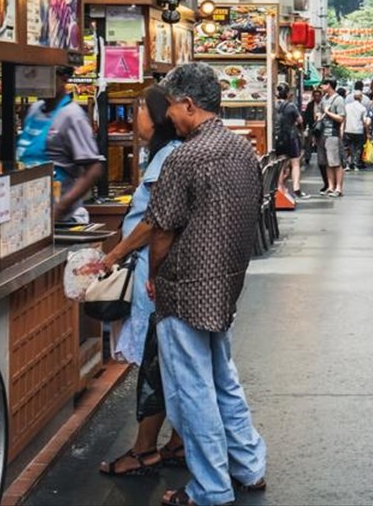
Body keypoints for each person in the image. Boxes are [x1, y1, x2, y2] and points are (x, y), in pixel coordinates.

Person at [145, 62, 266, 506]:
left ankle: (211, 487)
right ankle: (249, 465)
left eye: (172, 107)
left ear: (189, 104)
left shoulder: (184, 157)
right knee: (222, 377)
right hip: (226, 282)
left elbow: (161, 230)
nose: (168, 116)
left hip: (186, 285)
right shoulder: (242, 150)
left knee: (192, 388)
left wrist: (153, 275)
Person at [95, 86, 184, 476]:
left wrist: (114, 254)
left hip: (153, 271)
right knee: (167, 359)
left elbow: (154, 222)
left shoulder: (166, 157)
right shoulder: (167, 154)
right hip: (159, 270)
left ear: (160, 116)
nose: (135, 119)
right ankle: (178, 442)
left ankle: (144, 449)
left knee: (155, 360)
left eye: (141, 111)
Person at [16, 65, 104, 223]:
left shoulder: (72, 116)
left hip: (61, 218)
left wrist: (61, 208)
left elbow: (94, 169)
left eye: (44, 76)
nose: (38, 82)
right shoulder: (34, 110)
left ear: (63, 79)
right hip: (28, 211)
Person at [273, 83, 305, 197]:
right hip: (291, 137)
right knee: (295, 163)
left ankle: (280, 187)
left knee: (280, 163)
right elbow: (300, 120)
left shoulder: (273, 105)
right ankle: (296, 189)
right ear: (287, 93)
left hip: (277, 138)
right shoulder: (291, 106)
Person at [316, 79, 346, 197]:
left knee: (336, 162)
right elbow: (319, 111)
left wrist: (327, 113)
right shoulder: (324, 99)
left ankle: (338, 188)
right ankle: (330, 186)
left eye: (323, 84)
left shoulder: (338, 99)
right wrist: (319, 115)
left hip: (332, 134)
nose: (321, 87)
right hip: (322, 134)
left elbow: (341, 118)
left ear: (329, 85)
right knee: (327, 162)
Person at [343, 91, 367, 171]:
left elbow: (344, 118)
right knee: (358, 147)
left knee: (347, 147)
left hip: (348, 129)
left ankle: (347, 164)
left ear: (354, 97)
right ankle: (356, 164)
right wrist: (367, 131)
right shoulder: (363, 108)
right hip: (358, 130)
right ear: (361, 98)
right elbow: (364, 121)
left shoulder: (347, 106)